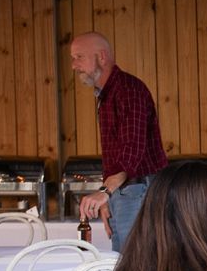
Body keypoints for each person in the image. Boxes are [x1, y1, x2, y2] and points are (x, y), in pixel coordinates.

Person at [69, 31, 168, 252]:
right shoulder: (108, 93)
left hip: (140, 190)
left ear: (101, 57)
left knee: (135, 266)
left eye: (79, 57)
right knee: (126, 265)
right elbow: (116, 156)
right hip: (126, 190)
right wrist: (108, 197)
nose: (74, 65)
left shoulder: (128, 89)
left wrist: (106, 191)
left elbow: (132, 150)